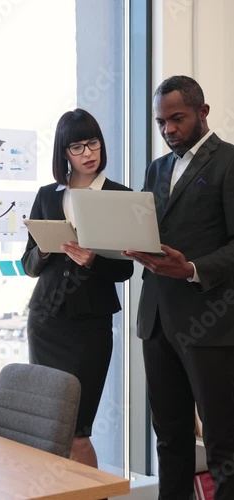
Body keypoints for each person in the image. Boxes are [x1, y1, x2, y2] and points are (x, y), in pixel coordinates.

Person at [124, 75, 234, 499]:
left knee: (223, 446)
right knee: (169, 440)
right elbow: (148, 232)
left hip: (210, 326)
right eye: (160, 122)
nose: (168, 129)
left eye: (177, 119)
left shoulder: (228, 162)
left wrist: (190, 268)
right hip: (157, 321)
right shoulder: (157, 168)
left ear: (202, 113)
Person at [21, 108, 134, 468]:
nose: (88, 153)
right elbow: (27, 265)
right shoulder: (47, 196)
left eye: (93, 143)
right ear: (63, 153)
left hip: (90, 328)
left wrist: (93, 261)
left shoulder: (120, 196)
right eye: (77, 147)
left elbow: (126, 269)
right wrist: (43, 247)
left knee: (77, 431)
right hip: (45, 323)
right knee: (48, 428)